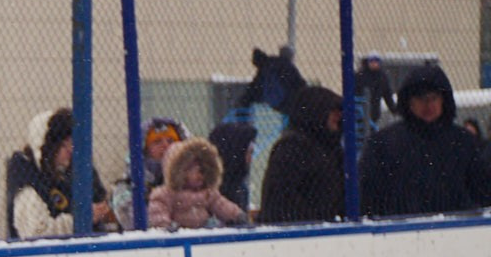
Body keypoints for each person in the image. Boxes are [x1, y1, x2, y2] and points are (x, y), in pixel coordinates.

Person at [357, 62, 491, 220]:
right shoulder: (384, 143)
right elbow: (367, 196)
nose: (428, 105)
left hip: (456, 230)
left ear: (443, 100)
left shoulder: (464, 142)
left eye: (433, 98)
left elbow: (482, 192)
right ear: (409, 102)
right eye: (420, 98)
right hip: (398, 231)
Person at [5, 107, 122, 239]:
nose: (70, 151)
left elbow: (98, 200)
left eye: (73, 145)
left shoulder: (72, 174)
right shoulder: (28, 180)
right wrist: (81, 220)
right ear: (47, 146)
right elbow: (35, 234)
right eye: (64, 145)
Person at [255, 85, 345, 226]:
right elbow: (281, 202)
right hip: (296, 231)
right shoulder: (292, 148)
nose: (338, 115)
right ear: (317, 111)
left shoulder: (333, 149)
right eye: (333, 110)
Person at [150, 137, 248, 231]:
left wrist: (236, 215)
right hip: (179, 232)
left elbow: (221, 204)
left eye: (205, 172)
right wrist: (165, 224)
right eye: (198, 171)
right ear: (182, 172)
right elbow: (158, 210)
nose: (202, 176)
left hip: (203, 231)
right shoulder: (167, 194)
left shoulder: (207, 193)